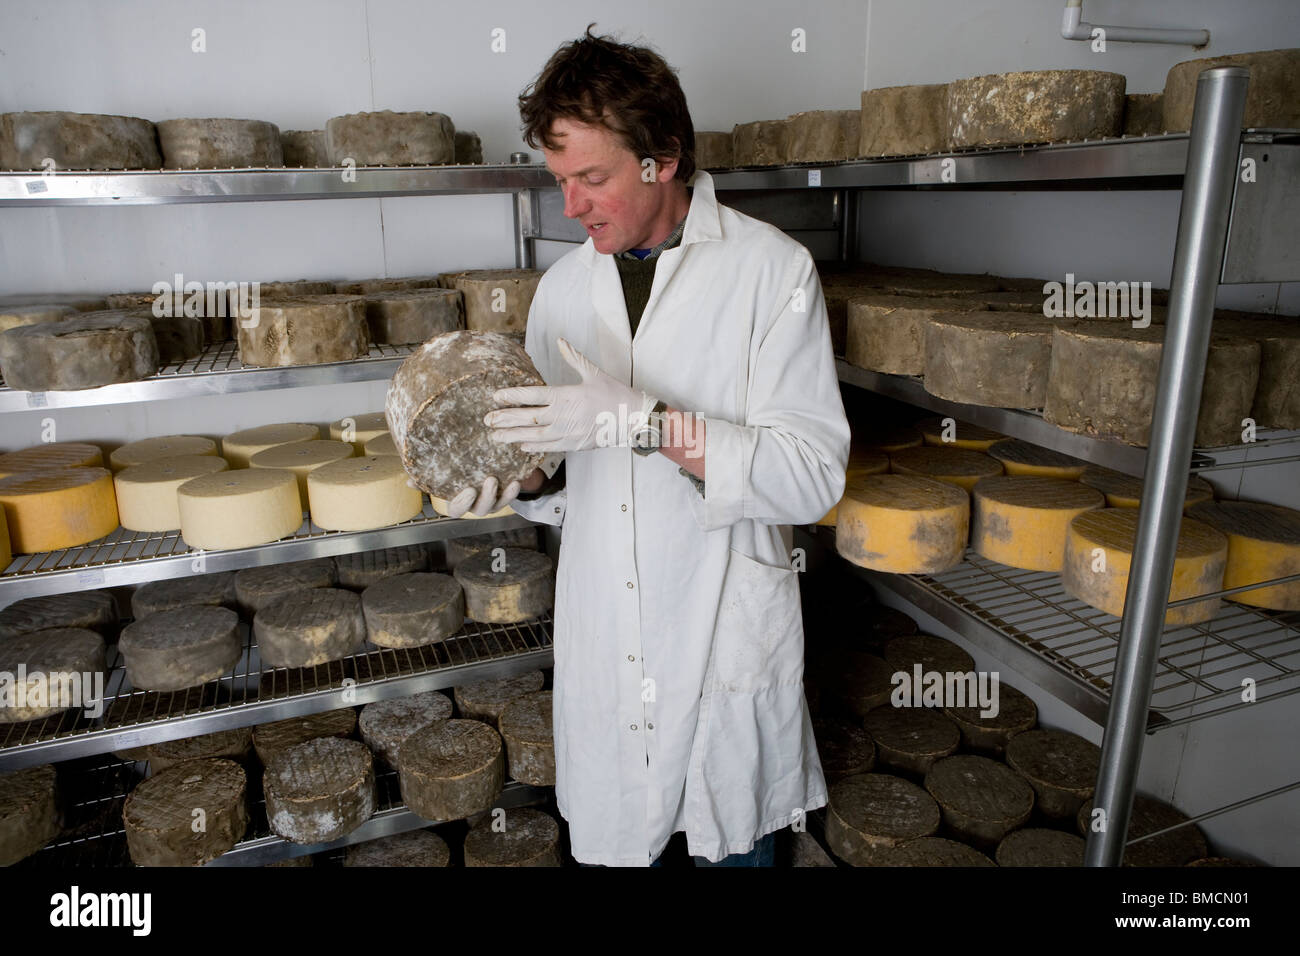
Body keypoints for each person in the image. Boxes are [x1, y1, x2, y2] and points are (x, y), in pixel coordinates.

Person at [443, 26, 850, 866]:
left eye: (591, 178)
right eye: (559, 181)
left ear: (662, 159)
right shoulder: (562, 290)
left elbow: (811, 478)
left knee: (730, 843)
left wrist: (649, 423)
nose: (571, 207)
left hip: (720, 629)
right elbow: (569, 473)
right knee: (621, 841)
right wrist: (518, 480)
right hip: (605, 632)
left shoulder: (771, 273)